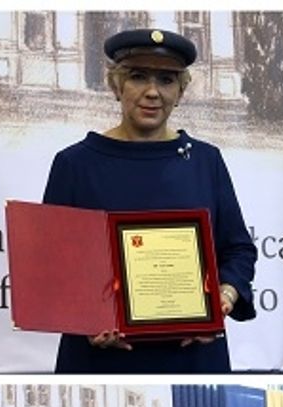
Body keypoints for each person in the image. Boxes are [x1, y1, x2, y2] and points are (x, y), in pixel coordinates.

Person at [41, 28, 257, 373]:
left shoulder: (206, 161)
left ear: (181, 91)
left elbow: (238, 250)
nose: (153, 92)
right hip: (102, 359)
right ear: (116, 86)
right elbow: (51, 265)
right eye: (138, 77)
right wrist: (85, 321)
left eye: (167, 80)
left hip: (193, 359)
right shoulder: (74, 164)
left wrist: (224, 298)